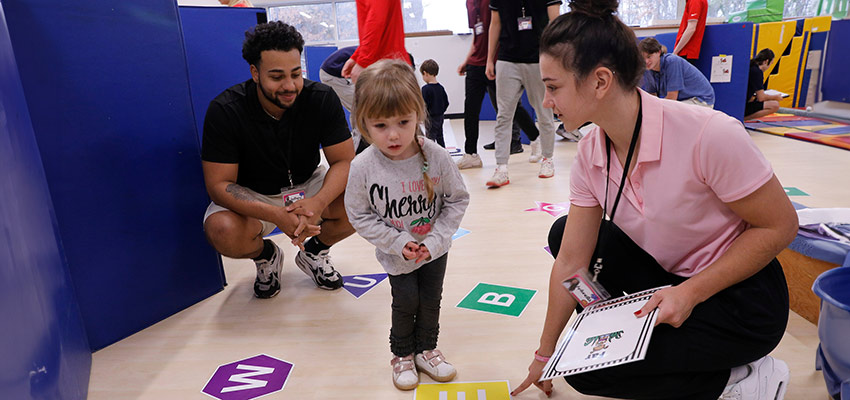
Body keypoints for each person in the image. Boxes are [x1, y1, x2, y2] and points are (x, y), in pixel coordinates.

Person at [511, 1, 798, 399]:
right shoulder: (592, 150)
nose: (546, 101)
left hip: (740, 298)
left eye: (554, 87)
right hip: (670, 277)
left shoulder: (709, 134)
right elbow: (572, 262)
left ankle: (745, 378)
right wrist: (544, 355)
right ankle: (663, 346)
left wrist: (689, 294)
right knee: (566, 250)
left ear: (599, 81)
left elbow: (781, 226)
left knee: (589, 372)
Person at [201, 22, 356, 298]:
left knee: (365, 199)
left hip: (309, 185)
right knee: (220, 230)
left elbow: (344, 162)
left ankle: (315, 253)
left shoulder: (321, 99)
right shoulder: (225, 110)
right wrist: (275, 215)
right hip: (254, 196)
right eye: (276, 76)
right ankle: (266, 255)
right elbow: (218, 184)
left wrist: (318, 202)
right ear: (255, 73)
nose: (289, 85)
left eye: (295, 74)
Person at [345, 59, 470, 391]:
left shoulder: (436, 155)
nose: (395, 134)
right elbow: (359, 215)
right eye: (381, 125)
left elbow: (458, 199)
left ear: (418, 112)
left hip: (435, 249)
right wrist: (397, 242)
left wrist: (436, 240)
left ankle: (427, 350)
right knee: (405, 301)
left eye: (403, 121)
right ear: (363, 123)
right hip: (396, 254)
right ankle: (402, 354)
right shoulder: (362, 167)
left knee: (431, 298)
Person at [457, 0, 542, 169]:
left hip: (497, 62)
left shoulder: (492, 2)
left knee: (509, 107)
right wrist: (467, 60)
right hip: (475, 64)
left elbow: (499, 26)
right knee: (471, 109)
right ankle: (471, 153)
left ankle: (536, 138)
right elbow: (476, 35)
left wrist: (493, 59)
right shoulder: (469, 4)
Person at [485, 0, 561, 188]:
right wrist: (489, 59)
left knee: (544, 112)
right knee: (504, 115)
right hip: (507, 59)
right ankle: (501, 167)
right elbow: (495, 24)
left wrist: (556, 57)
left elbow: (556, 22)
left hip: (538, 59)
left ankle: (547, 159)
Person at [341, 0, 410, 83]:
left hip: (384, 68)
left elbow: (376, 20)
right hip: (387, 65)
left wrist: (363, 62)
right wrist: (356, 57)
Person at [640, 37, 715, 108]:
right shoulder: (648, 69)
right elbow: (652, 96)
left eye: (649, 57)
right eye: (643, 58)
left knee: (669, 112)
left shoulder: (672, 62)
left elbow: (672, 97)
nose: (646, 61)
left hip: (700, 100)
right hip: (683, 101)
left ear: (659, 52)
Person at [745, 49, 782, 121]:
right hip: (743, 106)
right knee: (775, 105)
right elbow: (761, 97)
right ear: (766, 61)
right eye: (771, 64)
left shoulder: (751, 66)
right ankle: (742, 119)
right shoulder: (757, 72)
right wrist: (775, 97)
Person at [420, 59, 450, 148]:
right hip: (440, 117)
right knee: (440, 137)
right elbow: (446, 102)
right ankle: (443, 153)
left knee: (430, 138)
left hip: (430, 118)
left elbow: (424, 104)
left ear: (425, 73)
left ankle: (429, 156)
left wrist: (422, 115)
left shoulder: (425, 89)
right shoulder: (441, 88)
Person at [673, 0, 707, 65]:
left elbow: (691, 28)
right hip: (686, 51)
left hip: (686, 51)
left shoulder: (695, 1)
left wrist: (675, 51)